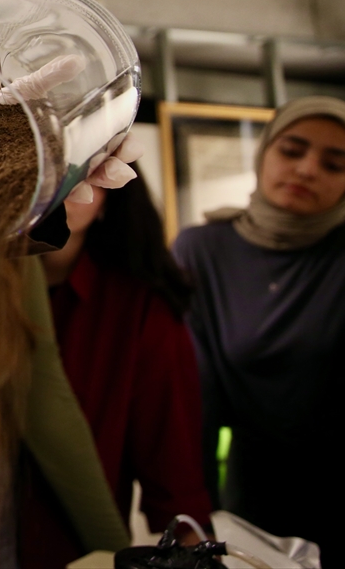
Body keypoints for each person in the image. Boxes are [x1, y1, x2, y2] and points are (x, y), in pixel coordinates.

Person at [174, 96, 345, 567]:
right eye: (292, 150)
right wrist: (195, 519)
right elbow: (195, 397)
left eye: (334, 163)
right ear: (264, 152)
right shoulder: (202, 249)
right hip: (254, 499)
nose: (308, 169)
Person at [20, 169, 211, 568]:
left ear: (111, 195)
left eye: (80, 174)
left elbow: (173, 472)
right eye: (45, 171)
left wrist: (196, 552)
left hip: (73, 551)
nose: (56, 190)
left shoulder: (140, 309)